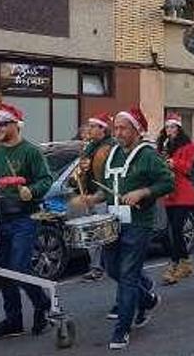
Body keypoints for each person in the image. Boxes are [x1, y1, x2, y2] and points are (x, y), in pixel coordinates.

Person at [73, 107, 173, 350]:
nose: (117, 132)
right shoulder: (112, 154)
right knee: (112, 269)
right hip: (113, 221)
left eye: (123, 128)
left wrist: (143, 191)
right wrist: (91, 200)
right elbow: (104, 189)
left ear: (136, 130)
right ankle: (147, 298)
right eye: (115, 128)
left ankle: (122, 330)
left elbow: (167, 181)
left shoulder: (147, 154)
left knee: (127, 275)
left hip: (139, 223)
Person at [0, 103, 54, 340]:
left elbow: (46, 180)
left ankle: (41, 303)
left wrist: (32, 191)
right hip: (3, 216)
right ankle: (14, 320)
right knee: (4, 271)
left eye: (3, 123)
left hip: (26, 216)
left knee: (19, 268)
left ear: (16, 125)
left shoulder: (31, 152)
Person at [156, 113, 194, 286]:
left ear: (179, 129)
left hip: (184, 192)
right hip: (170, 193)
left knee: (176, 228)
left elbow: (189, 168)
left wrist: (174, 163)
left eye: (173, 127)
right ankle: (185, 263)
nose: (169, 131)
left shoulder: (190, 147)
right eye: (167, 127)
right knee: (173, 231)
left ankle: (175, 264)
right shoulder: (164, 146)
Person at [74, 113, 116, 282]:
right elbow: (83, 169)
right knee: (92, 233)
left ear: (102, 129)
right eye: (89, 126)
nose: (89, 129)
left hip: (103, 195)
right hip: (89, 194)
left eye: (93, 126)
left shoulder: (110, 147)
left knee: (104, 234)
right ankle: (96, 267)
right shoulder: (89, 147)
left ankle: (107, 266)